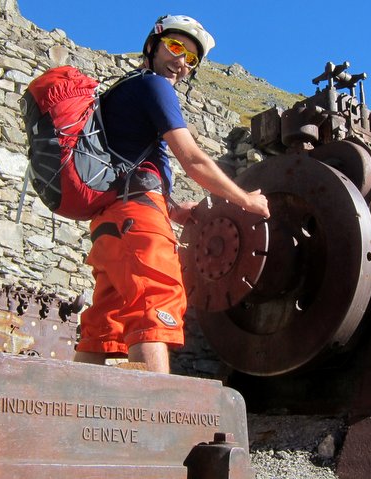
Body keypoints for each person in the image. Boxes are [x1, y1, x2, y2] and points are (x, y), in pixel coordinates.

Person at [73, 14, 270, 373]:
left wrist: (175, 209)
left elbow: (129, 164)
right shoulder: (154, 86)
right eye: (176, 47)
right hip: (139, 221)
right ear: (153, 45)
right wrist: (247, 200)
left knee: (105, 326)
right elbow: (193, 159)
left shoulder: (124, 89)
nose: (181, 62)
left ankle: (70, 413)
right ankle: (156, 422)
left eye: (191, 58)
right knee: (156, 304)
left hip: (110, 224)